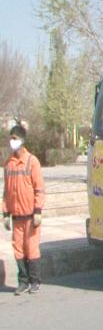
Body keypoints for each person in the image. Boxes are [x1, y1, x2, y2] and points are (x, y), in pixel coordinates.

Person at [3, 125, 45, 295]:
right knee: (18, 249)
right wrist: (5, 213)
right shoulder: (9, 164)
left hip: (30, 215)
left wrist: (37, 211)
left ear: (22, 140)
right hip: (16, 216)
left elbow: (39, 188)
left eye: (15, 138)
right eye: (11, 138)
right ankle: (23, 281)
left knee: (31, 248)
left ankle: (35, 281)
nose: (12, 141)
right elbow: (6, 192)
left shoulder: (31, 161)